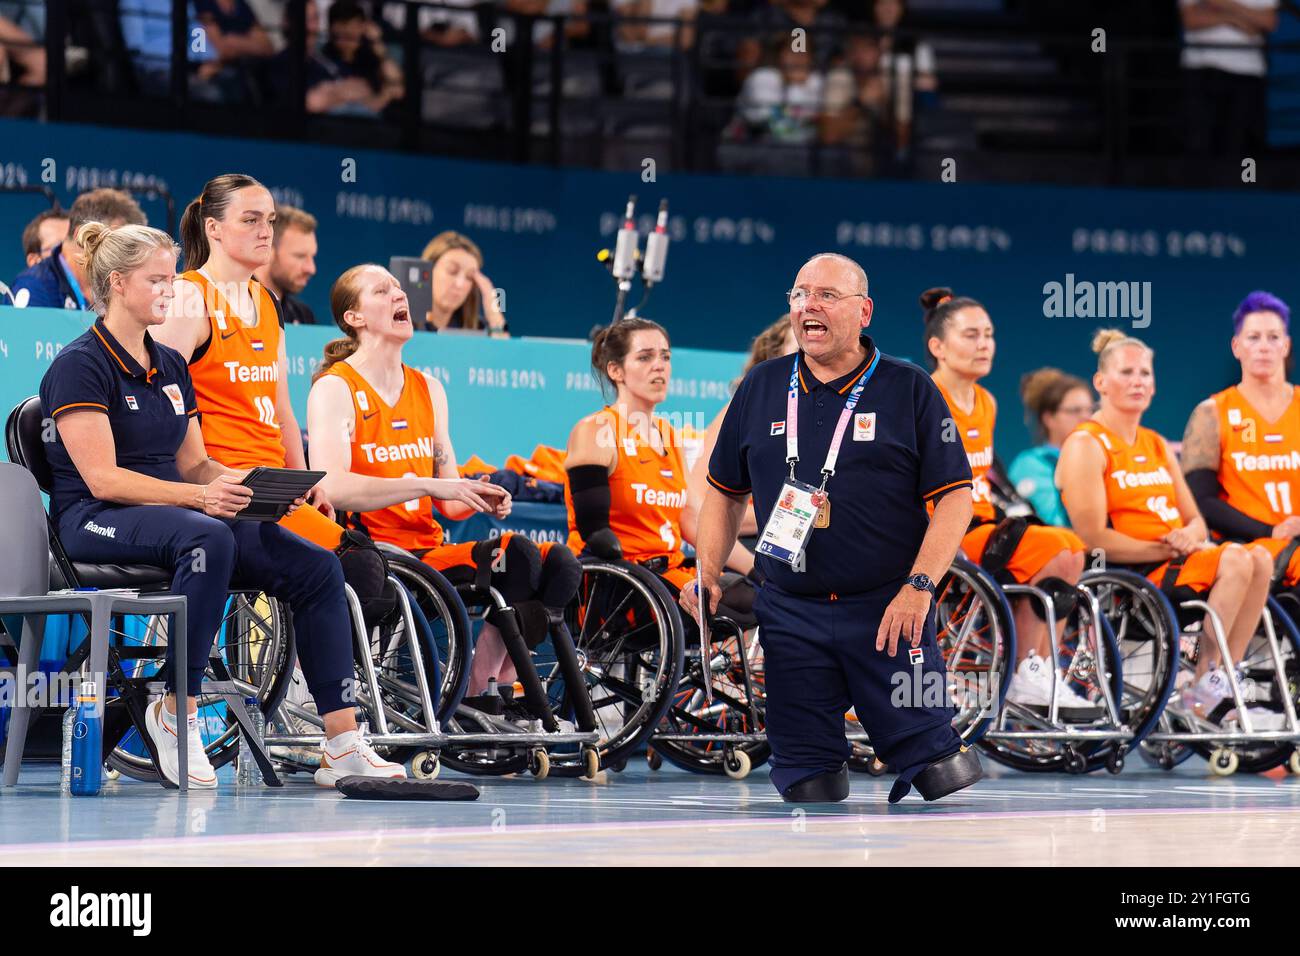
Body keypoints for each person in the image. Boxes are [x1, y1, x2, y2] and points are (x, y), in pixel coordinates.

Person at [38, 221, 403, 788]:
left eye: (172, 279)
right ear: (117, 283)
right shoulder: (79, 364)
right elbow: (104, 479)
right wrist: (203, 499)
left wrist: (251, 487)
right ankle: (174, 711)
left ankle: (342, 742)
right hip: (95, 521)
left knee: (316, 564)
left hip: (178, 513)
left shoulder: (172, 365)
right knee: (208, 536)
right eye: (158, 280)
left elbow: (196, 465)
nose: (172, 290)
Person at [683, 252, 984, 803]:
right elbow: (724, 494)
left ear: (864, 311)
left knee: (945, 774)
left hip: (888, 610)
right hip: (791, 613)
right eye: (800, 294)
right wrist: (706, 573)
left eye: (827, 295)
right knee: (808, 786)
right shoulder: (761, 385)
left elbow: (955, 500)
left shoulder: (909, 387)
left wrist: (919, 589)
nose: (809, 306)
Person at [306, 263, 584, 719]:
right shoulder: (336, 387)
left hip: (430, 552)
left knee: (546, 563)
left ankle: (484, 683)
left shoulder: (428, 388)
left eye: (399, 289)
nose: (400, 296)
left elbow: (449, 502)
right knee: (519, 562)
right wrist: (427, 483)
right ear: (354, 317)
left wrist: (478, 493)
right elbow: (333, 486)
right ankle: (473, 689)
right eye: (383, 290)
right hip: (372, 551)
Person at [1056, 329, 1284, 729]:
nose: (1138, 381)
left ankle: (1220, 679)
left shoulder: (1156, 444)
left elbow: (1196, 520)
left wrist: (1189, 537)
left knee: (1262, 557)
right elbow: (1092, 538)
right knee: (1234, 557)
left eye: (1145, 373)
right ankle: (1203, 686)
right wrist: (1168, 548)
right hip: (1133, 575)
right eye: (1126, 373)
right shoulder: (1087, 444)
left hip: (1178, 561)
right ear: (1101, 383)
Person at [922, 288, 1090, 712]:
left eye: (989, 335)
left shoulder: (987, 402)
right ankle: (1022, 672)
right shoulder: (924, 398)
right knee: (1057, 549)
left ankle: (1037, 669)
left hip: (983, 522)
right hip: (943, 528)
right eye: (971, 335)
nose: (984, 344)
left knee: (1072, 548)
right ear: (937, 347)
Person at [565, 317, 757, 625]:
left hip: (667, 574)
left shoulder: (669, 436)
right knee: (736, 600)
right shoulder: (595, 430)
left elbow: (696, 522)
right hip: (620, 582)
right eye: (645, 357)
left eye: (665, 357)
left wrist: (756, 569)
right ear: (616, 371)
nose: (660, 366)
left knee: (753, 596)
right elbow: (595, 534)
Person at [1180, 291, 1300, 600]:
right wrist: (1269, 531)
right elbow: (1200, 501)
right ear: (1236, 347)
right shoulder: (1212, 413)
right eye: (1253, 337)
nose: (1263, 346)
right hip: (1249, 546)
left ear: (1286, 346)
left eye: (1273, 337)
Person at [686, 315, 795, 558]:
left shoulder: (831, 416)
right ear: (775, 355)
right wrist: (788, 518)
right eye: (799, 346)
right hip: (749, 547)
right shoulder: (741, 410)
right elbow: (702, 506)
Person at [10, 188, 146, 310]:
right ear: (84, 237)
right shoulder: (34, 287)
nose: (127, 257)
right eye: (117, 243)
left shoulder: (122, 286)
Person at [1180, 0, 1278, 156]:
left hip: (1248, 72)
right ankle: (1200, 180)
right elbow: (1190, 19)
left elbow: (1269, 22)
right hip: (1201, 69)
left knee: (1245, 150)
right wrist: (1237, 19)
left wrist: (1226, 5)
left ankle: (1248, 180)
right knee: (1199, 144)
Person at [1008, 367, 1094, 528]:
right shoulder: (1030, 464)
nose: (1086, 417)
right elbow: (1054, 525)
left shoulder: (1104, 458)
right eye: (1075, 410)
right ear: (1049, 419)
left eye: (1090, 410)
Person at [419, 231, 508, 337]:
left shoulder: (477, 329)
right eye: (452, 271)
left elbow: (503, 351)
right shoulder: (401, 322)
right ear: (428, 271)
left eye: (469, 277)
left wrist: (493, 314)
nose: (460, 284)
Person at [253, 203, 319, 324]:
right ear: (267, 249)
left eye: (312, 257)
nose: (311, 269)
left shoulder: (304, 316)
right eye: (300, 256)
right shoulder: (230, 306)